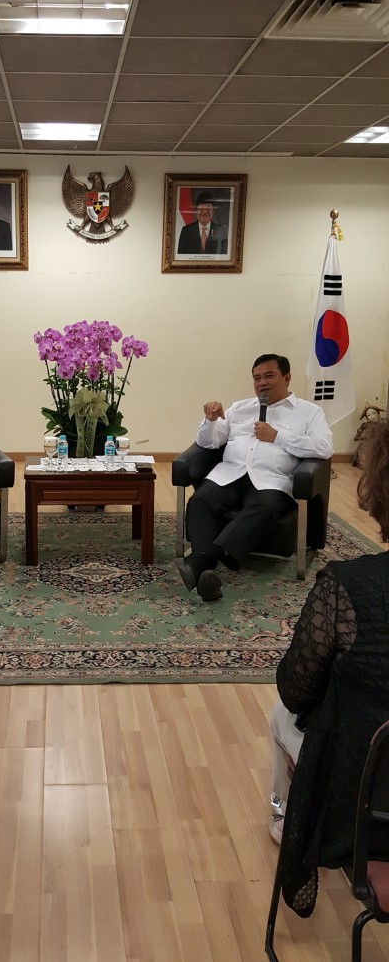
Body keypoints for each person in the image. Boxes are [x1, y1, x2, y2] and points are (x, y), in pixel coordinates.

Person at [268, 417, 389, 916]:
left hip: (363, 807)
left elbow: (296, 689)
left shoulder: (348, 587)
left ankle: (285, 818)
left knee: (282, 714)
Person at [178, 354, 333, 602]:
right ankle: (207, 574)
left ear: (287, 378)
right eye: (257, 378)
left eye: (269, 376)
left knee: (263, 507)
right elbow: (209, 443)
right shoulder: (239, 408)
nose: (262, 383)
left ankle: (200, 563)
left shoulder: (309, 413)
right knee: (200, 500)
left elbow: (323, 447)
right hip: (230, 473)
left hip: (272, 480)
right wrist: (210, 421)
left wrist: (278, 436)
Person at [177, 191, 228, 256]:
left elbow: (224, 256)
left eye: (208, 209)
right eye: (201, 209)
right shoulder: (186, 231)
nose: (205, 212)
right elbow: (181, 257)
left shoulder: (221, 231)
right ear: (196, 211)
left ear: (213, 212)